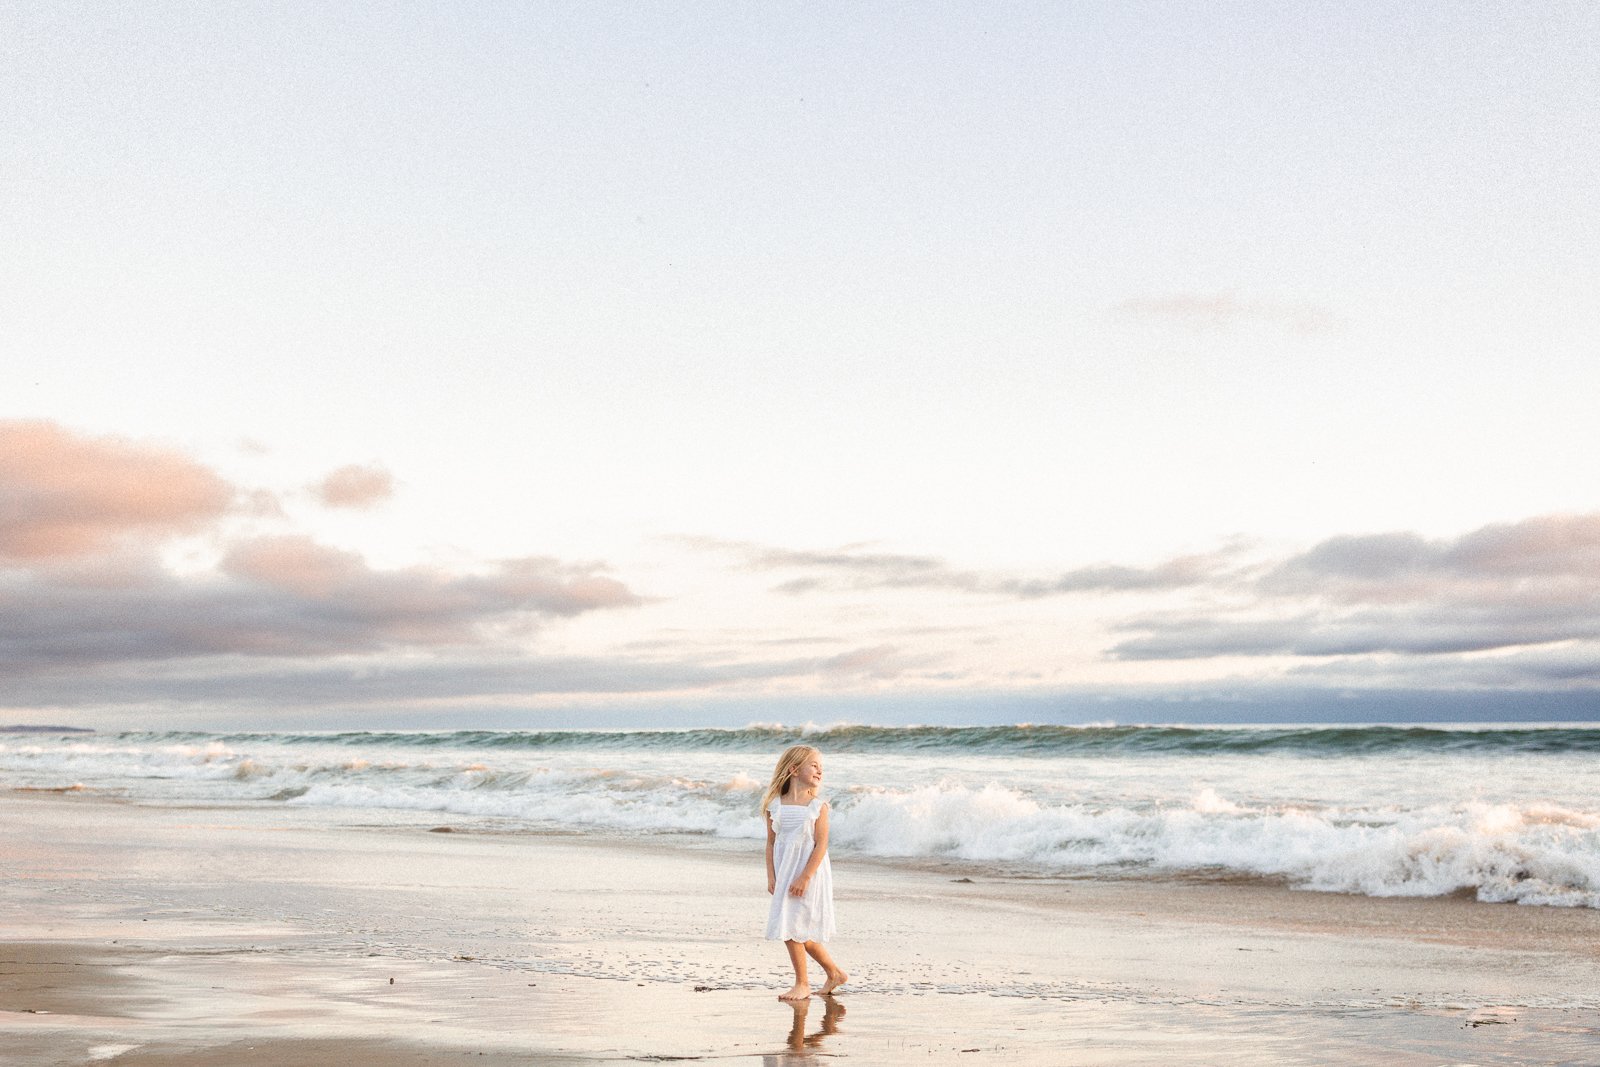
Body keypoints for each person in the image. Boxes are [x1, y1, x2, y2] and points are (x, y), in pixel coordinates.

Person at [761, 744, 848, 1001]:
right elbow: (770, 842)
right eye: (814, 765)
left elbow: (821, 845)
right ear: (794, 769)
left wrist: (805, 877)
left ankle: (803, 984)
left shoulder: (817, 807)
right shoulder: (774, 806)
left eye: (822, 767)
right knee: (796, 929)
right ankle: (834, 973)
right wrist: (771, 875)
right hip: (785, 872)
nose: (820, 771)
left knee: (793, 928)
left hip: (809, 874)